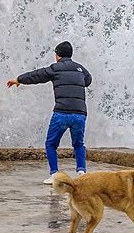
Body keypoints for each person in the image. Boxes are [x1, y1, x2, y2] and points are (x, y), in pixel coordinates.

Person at [6, 41, 92, 184]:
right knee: (78, 144)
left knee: (51, 144)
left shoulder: (55, 68)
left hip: (62, 113)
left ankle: (55, 175)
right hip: (79, 114)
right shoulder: (80, 68)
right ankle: (81, 172)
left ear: (57, 55)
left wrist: (19, 79)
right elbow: (88, 81)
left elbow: (37, 75)